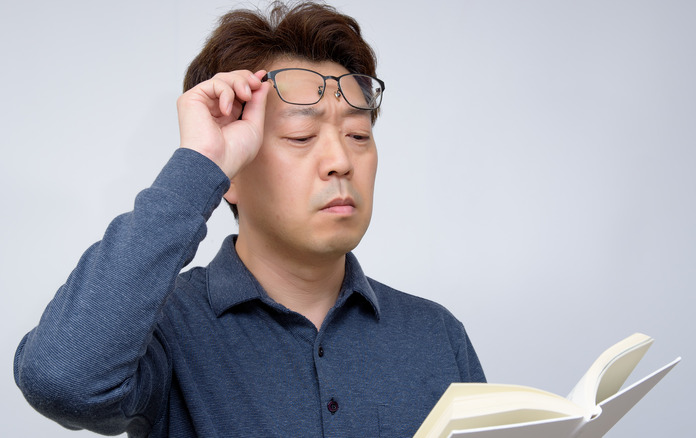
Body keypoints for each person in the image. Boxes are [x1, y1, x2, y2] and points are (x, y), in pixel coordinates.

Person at [14, 2, 485, 437]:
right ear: (231, 174)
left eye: (358, 135)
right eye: (302, 135)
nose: (341, 160)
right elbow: (61, 381)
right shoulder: (165, 328)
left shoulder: (436, 334)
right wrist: (200, 164)